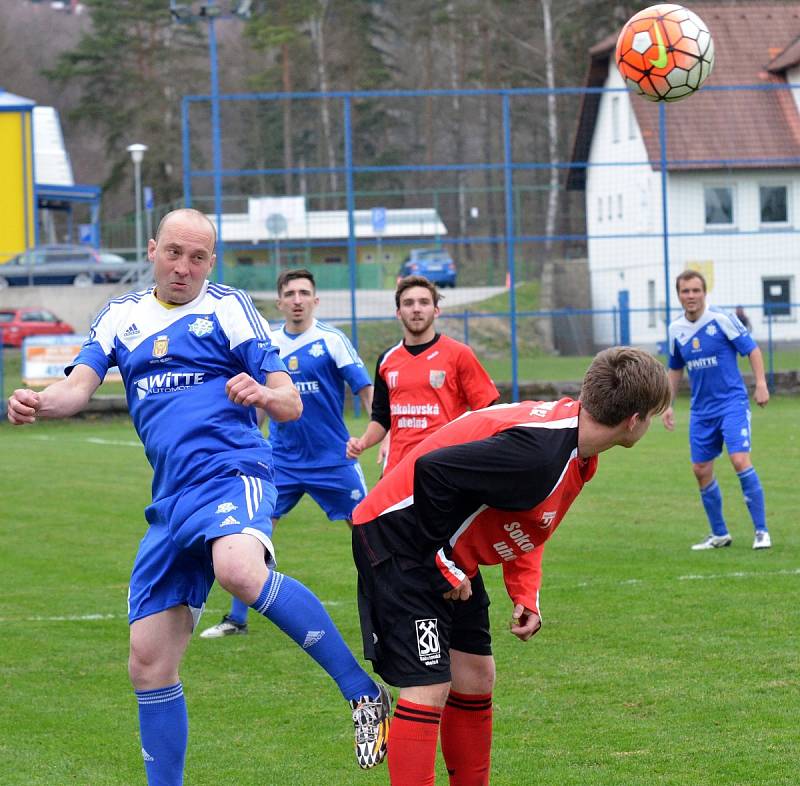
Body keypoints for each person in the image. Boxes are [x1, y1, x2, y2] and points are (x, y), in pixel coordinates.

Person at [6, 209, 390, 783]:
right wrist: (37, 401)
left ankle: (362, 693)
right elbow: (75, 390)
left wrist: (260, 391)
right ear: (153, 249)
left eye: (198, 257)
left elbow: (291, 403)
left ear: (212, 262)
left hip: (232, 470)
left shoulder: (229, 309)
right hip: (170, 503)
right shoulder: (120, 316)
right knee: (149, 663)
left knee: (238, 568)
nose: (184, 267)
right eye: (174, 253)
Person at [350, 347, 671, 785]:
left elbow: (526, 516)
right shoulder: (539, 452)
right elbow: (433, 471)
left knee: (477, 677)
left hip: (442, 544)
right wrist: (442, 563)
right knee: (429, 685)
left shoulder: (575, 446)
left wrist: (525, 592)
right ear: (634, 420)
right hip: (397, 534)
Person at [201, 268, 373, 638]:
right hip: (282, 462)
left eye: (304, 293)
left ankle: (387, 611)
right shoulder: (268, 344)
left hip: (333, 460)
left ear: (315, 300)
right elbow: (261, 401)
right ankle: (236, 620)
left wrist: (375, 434)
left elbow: (365, 388)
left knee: (370, 536)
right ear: (279, 302)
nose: (297, 299)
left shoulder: (332, 340)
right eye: (290, 293)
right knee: (251, 536)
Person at [662, 270, 771, 551]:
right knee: (700, 469)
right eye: (685, 291)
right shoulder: (675, 329)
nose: (691, 296)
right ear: (679, 295)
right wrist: (668, 405)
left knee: (739, 460)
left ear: (704, 292)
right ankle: (719, 534)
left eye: (696, 290)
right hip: (701, 411)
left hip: (731, 403)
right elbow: (675, 369)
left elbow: (752, 350)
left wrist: (760, 383)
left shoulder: (722, 319)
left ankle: (761, 531)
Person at [347, 275, 500, 473]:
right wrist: (362, 442)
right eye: (408, 303)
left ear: (436, 311)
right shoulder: (387, 360)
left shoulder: (459, 354)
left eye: (424, 302)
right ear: (398, 313)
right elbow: (381, 418)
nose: (416, 309)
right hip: (397, 470)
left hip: (444, 468)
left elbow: (487, 410)